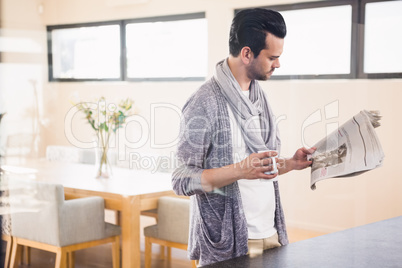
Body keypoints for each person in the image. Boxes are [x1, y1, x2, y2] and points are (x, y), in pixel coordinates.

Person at [172, 8, 315, 266]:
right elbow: (182, 180)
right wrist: (239, 170)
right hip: (227, 244)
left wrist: (291, 164)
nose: (278, 64)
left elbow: (257, 168)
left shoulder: (259, 98)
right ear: (247, 53)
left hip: (270, 233)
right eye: (272, 57)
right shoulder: (204, 103)